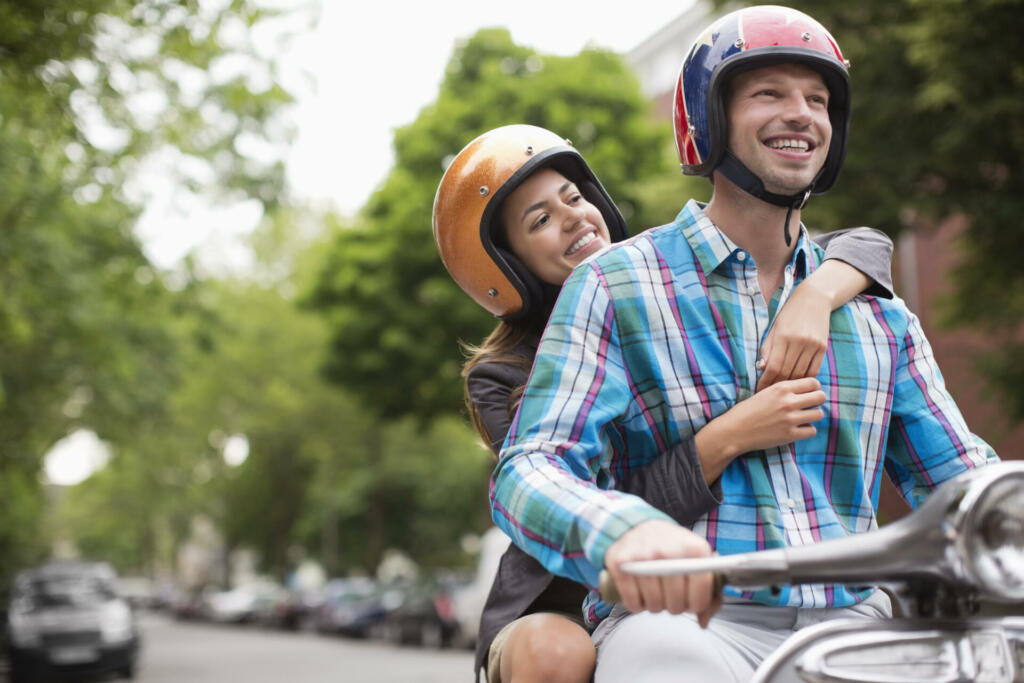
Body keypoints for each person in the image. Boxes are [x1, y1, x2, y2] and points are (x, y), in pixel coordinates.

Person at [487, 6, 998, 682]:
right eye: (770, 94)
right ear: (707, 118)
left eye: (818, 100)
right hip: (685, 625)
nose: (802, 114)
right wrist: (621, 532)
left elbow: (968, 484)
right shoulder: (615, 285)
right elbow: (530, 468)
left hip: (861, 622)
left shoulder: (883, 320)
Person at [432, 123, 896, 682]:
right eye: (541, 220)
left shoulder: (666, 281)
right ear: (502, 264)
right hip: (573, 588)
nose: (573, 217)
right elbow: (581, 491)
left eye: (574, 198)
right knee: (552, 649)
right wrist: (730, 436)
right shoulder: (502, 375)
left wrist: (817, 294)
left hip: (729, 582)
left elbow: (864, 242)